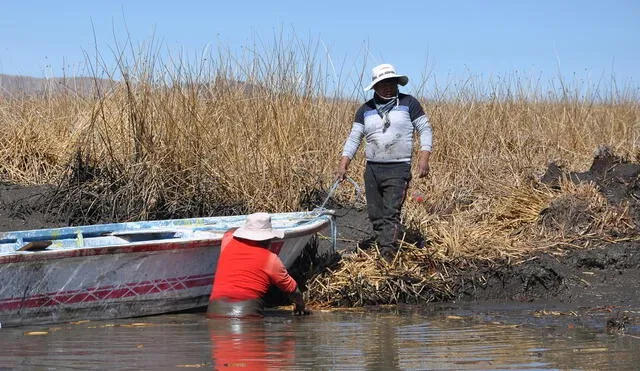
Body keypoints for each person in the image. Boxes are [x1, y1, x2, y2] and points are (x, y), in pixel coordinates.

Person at [335, 63, 433, 261]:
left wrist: (424, 157)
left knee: (391, 212)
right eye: (382, 84)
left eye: (391, 82)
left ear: (397, 83)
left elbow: (425, 129)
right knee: (375, 213)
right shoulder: (365, 109)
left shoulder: (408, 103)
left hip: (398, 167)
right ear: (375, 87)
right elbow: (354, 138)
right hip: (372, 168)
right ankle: (383, 245)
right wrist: (343, 163)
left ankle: (388, 254)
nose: (387, 87)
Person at [207, 212, 310, 318]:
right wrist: (301, 305)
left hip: (214, 314)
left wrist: (248, 228)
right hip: (247, 316)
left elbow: (230, 231)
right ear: (268, 239)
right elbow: (292, 290)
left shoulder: (228, 240)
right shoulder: (271, 259)